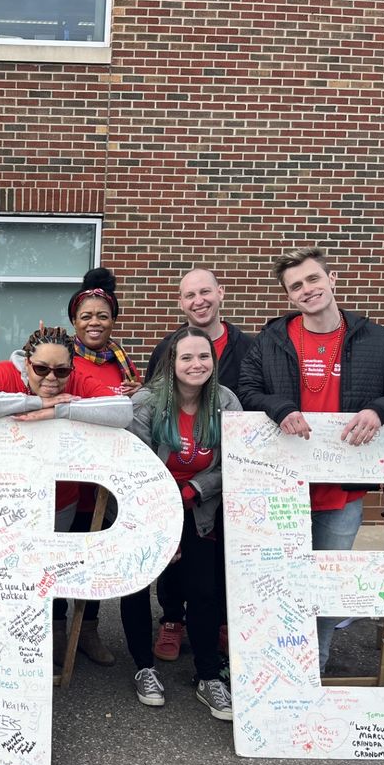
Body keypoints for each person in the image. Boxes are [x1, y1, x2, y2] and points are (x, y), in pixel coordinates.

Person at [238, 246, 384, 673]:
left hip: (342, 491)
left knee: (324, 583)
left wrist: (379, 410)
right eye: (296, 285)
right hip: (284, 487)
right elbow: (247, 388)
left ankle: (312, 669)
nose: (307, 290)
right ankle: (275, 670)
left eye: (313, 279)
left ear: (331, 278)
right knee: (279, 581)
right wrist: (280, 407)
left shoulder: (376, 338)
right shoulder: (272, 339)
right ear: (289, 296)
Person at [0, 325, 134, 666]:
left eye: (61, 371)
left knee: (50, 572)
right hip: (6, 502)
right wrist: (37, 401)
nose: (52, 377)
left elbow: (123, 411)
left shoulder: (77, 383)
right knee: (9, 574)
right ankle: (2, 647)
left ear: (72, 368)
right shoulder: (4, 373)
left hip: (59, 501)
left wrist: (61, 410)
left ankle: (52, 635)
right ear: (26, 364)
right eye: (41, 369)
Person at [126, 326, 242, 717]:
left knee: (204, 591)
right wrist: (166, 513)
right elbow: (134, 465)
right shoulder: (145, 404)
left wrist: (194, 489)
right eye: (187, 357)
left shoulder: (226, 402)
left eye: (203, 356)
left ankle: (209, 677)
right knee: (137, 586)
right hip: (147, 509)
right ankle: (144, 668)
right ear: (171, 363)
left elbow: (236, 463)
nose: (197, 364)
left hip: (199, 508)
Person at [145, 268, 252, 662]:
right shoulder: (156, 385)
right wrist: (167, 496)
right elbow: (141, 441)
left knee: (210, 572)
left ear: (221, 293)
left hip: (211, 490)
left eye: (206, 291)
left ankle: (214, 635)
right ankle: (172, 620)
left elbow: (240, 452)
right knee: (171, 571)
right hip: (162, 493)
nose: (199, 300)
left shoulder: (243, 356)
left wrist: (198, 490)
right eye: (190, 294)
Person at [63, 269, 143, 666]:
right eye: (86, 316)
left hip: (107, 483)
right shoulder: (61, 360)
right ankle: (59, 630)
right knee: (63, 555)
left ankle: (88, 628)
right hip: (68, 480)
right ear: (74, 322)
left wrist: (137, 395)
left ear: (113, 320)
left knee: (95, 558)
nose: (94, 323)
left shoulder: (123, 365)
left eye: (102, 316)